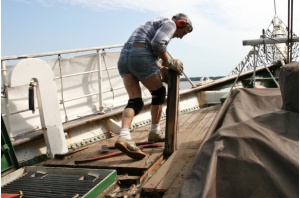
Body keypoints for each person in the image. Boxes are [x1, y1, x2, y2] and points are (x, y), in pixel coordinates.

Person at [115, 13, 193, 160]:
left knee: (135, 101)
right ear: (181, 23)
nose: (182, 36)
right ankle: (155, 132)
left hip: (124, 58)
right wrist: (170, 62)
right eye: (185, 32)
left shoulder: (152, 23)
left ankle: (124, 135)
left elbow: (145, 49)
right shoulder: (170, 24)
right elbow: (157, 44)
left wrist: (160, 66)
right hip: (140, 56)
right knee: (158, 93)